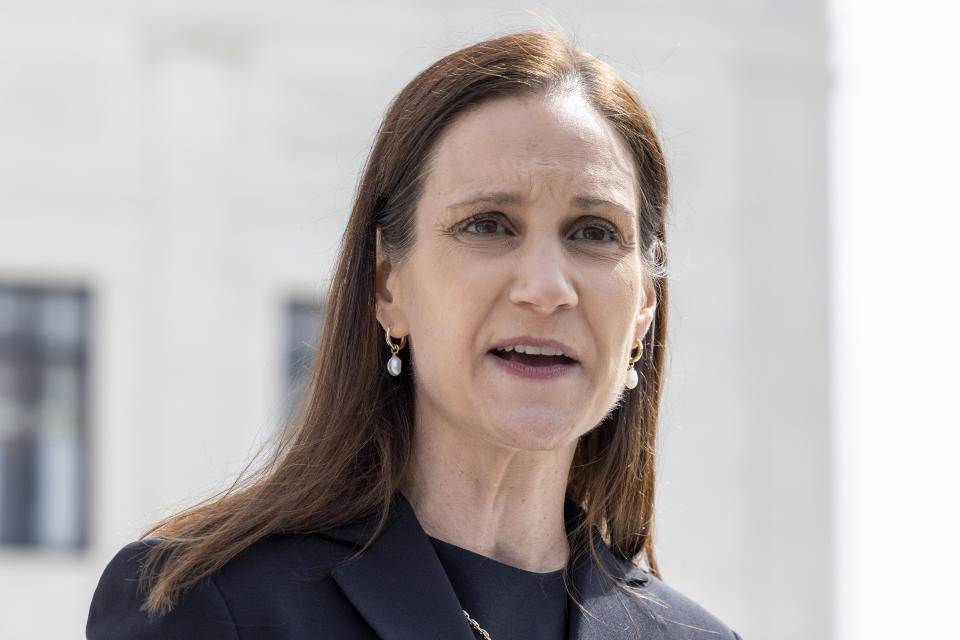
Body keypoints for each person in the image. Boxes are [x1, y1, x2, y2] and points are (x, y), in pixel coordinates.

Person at [87, 31, 742, 639]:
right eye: (488, 224)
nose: (546, 287)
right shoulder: (206, 603)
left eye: (594, 233)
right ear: (386, 286)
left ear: (643, 309)